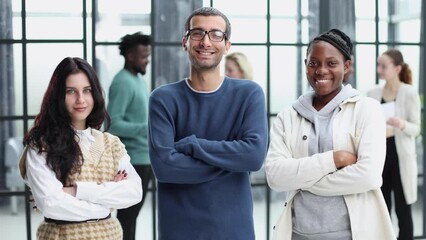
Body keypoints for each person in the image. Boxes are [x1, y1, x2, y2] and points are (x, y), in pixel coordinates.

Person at [148, 7, 268, 240]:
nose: (206, 42)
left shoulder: (249, 94)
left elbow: (253, 157)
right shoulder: (163, 99)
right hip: (178, 232)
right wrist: (231, 162)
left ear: (227, 45)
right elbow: (165, 168)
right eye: (197, 33)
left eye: (216, 34)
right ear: (185, 42)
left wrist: (193, 146)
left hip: (234, 232)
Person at [265, 29, 396, 239]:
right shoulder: (287, 116)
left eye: (331, 63)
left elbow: (368, 176)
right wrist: (334, 159)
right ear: (306, 64)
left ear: (346, 67)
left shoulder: (367, 109)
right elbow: (275, 176)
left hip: (352, 234)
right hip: (298, 234)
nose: (321, 70)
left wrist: (301, 180)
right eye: (313, 63)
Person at [19, 57, 142, 240]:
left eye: (87, 90)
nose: (81, 99)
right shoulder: (41, 145)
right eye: (71, 91)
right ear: (58, 95)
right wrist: (105, 205)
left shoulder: (111, 143)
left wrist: (76, 191)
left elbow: (134, 191)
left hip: (110, 235)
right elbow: (50, 203)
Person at [367, 48, 421, 240]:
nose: (379, 69)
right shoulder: (372, 93)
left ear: (397, 69)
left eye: (383, 65)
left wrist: (402, 124)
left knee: (403, 209)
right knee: (382, 209)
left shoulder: (409, 93)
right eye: (378, 65)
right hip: (380, 157)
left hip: (401, 158)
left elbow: (416, 128)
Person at [106, 31, 152, 240]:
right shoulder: (123, 81)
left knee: (131, 218)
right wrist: (148, 127)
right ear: (131, 56)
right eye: (144, 57)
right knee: (126, 219)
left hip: (144, 158)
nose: (147, 61)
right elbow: (113, 124)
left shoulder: (137, 80)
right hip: (133, 161)